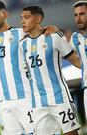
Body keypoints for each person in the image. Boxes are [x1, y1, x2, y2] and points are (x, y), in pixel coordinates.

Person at [0, 1, 58, 134]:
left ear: (5, 14)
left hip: (25, 97)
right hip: (3, 100)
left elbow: (39, 33)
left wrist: (50, 28)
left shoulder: (21, 34)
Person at [19, 5, 81, 135]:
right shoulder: (22, 44)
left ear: (38, 19)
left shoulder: (54, 36)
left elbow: (76, 61)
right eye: (21, 18)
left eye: (26, 17)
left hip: (59, 98)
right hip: (38, 103)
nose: (22, 21)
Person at [70, 1, 87, 120]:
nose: (78, 18)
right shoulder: (75, 38)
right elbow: (69, 56)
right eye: (76, 15)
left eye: (82, 14)